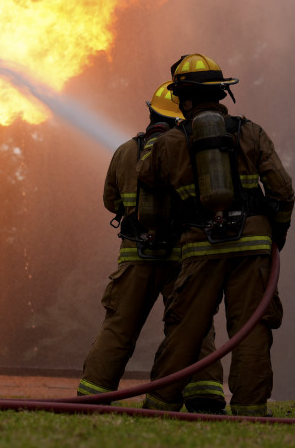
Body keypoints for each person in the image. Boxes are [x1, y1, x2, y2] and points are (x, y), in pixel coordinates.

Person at [138, 53, 294, 417]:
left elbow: (147, 179)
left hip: (201, 245)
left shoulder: (172, 142)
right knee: (251, 328)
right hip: (254, 245)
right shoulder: (251, 132)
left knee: (185, 328)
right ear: (222, 93)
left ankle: (160, 406)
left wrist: (156, 142)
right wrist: (277, 233)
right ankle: (250, 411)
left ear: (184, 99)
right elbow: (282, 190)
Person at [77, 81, 226, 414]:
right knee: (192, 326)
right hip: (183, 259)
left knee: (119, 328)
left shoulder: (126, 151)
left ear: (151, 112)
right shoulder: (192, 150)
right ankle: (205, 396)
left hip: (136, 257)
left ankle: (93, 396)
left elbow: (109, 200)